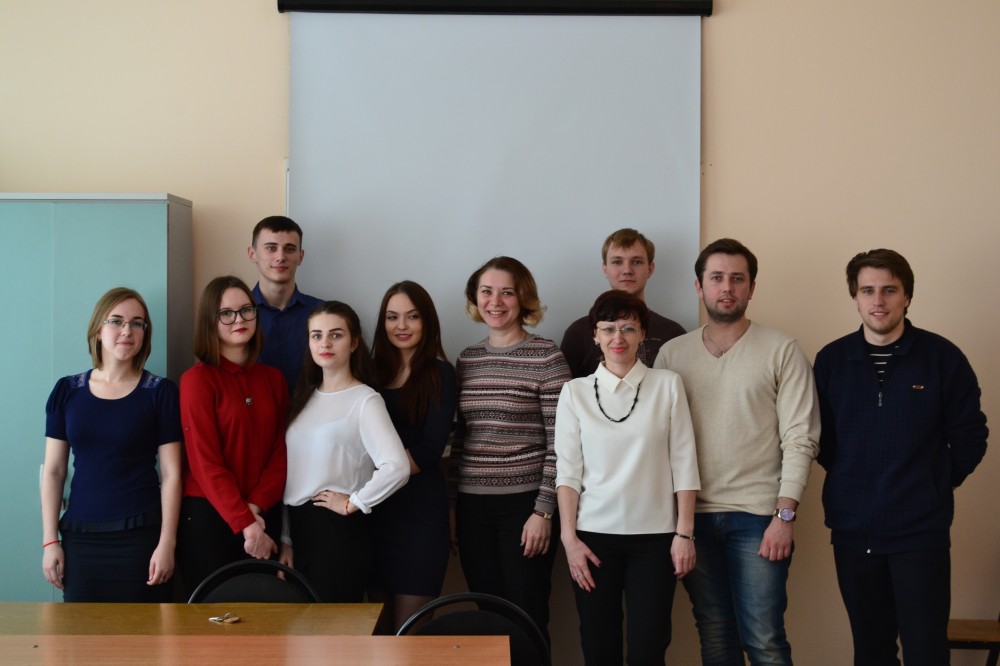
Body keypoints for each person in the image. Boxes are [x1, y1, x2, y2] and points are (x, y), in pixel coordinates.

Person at [813, 249, 988, 666]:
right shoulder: (832, 360)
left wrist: (934, 481)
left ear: (907, 296)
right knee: (871, 651)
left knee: (926, 650)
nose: (879, 301)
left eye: (889, 290)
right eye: (868, 290)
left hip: (920, 532)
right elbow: (820, 438)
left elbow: (971, 435)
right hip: (853, 530)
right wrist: (854, 480)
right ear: (855, 297)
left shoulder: (942, 358)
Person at [653, 238, 820, 665]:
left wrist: (784, 516)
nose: (726, 287)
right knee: (715, 637)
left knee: (764, 639)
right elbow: (657, 442)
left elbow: (800, 437)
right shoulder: (672, 355)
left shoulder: (782, 350)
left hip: (758, 518)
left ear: (751, 288)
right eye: (716, 278)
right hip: (691, 519)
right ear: (699, 287)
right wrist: (676, 525)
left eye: (737, 279)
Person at [556, 290, 700, 665]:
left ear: (642, 335)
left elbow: (684, 462)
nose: (617, 337)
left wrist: (684, 535)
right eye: (608, 329)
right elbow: (567, 472)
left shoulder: (668, 385)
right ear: (595, 335)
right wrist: (569, 539)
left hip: (656, 540)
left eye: (628, 328)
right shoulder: (574, 392)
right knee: (598, 647)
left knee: (649, 647)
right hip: (591, 539)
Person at [452, 256, 571, 643]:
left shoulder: (547, 357)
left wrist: (543, 510)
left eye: (507, 292)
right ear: (475, 298)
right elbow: (461, 440)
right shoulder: (467, 360)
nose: (496, 301)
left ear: (523, 299)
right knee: (487, 615)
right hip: (472, 509)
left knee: (526, 613)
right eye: (487, 291)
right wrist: (453, 505)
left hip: (525, 507)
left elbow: (563, 444)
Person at [41, 287, 182, 602]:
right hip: (80, 539)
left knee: (145, 632)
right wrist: (50, 541)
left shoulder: (160, 393)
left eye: (137, 323)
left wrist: (167, 544)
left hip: (142, 538)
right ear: (98, 330)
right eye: (116, 321)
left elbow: (172, 474)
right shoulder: (67, 391)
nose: (127, 331)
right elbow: (53, 471)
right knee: (82, 631)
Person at [280, 301, 409, 602]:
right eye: (316, 335)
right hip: (299, 529)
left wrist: (355, 502)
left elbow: (398, 467)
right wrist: (287, 538)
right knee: (302, 628)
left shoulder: (365, 400)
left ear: (353, 343)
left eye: (335, 335)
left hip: (337, 530)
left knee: (332, 627)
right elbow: (295, 474)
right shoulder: (304, 397)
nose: (325, 343)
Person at [177, 276, 288, 598]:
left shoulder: (274, 379)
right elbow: (204, 463)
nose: (239, 320)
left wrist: (255, 509)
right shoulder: (196, 381)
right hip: (210, 518)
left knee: (265, 617)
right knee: (212, 620)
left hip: (262, 513)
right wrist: (245, 521)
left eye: (246, 310)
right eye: (226, 313)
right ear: (209, 322)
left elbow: (281, 452)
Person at [368, 281, 458, 633]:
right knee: (376, 638)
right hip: (374, 513)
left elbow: (430, 448)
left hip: (421, 516)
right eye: (392, 317)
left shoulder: (440, 373)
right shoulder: (368, 373)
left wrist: (381, 475)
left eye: (412, 316)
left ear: (427, 321)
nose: (401, 326)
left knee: (410, 636)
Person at [561, 228, 685, 378]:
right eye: (617, 262)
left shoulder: (673, 334)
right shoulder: (577, 333)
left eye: (636, 262)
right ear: (605, 269)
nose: (627, 270)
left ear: (650, 269)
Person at [248, 215, 323, 391]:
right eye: (271, 248)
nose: (280, 257)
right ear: (252, 254)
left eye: (289, 249)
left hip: (313, 407)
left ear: (300, 256)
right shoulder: (236, 317)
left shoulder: (322, 313)